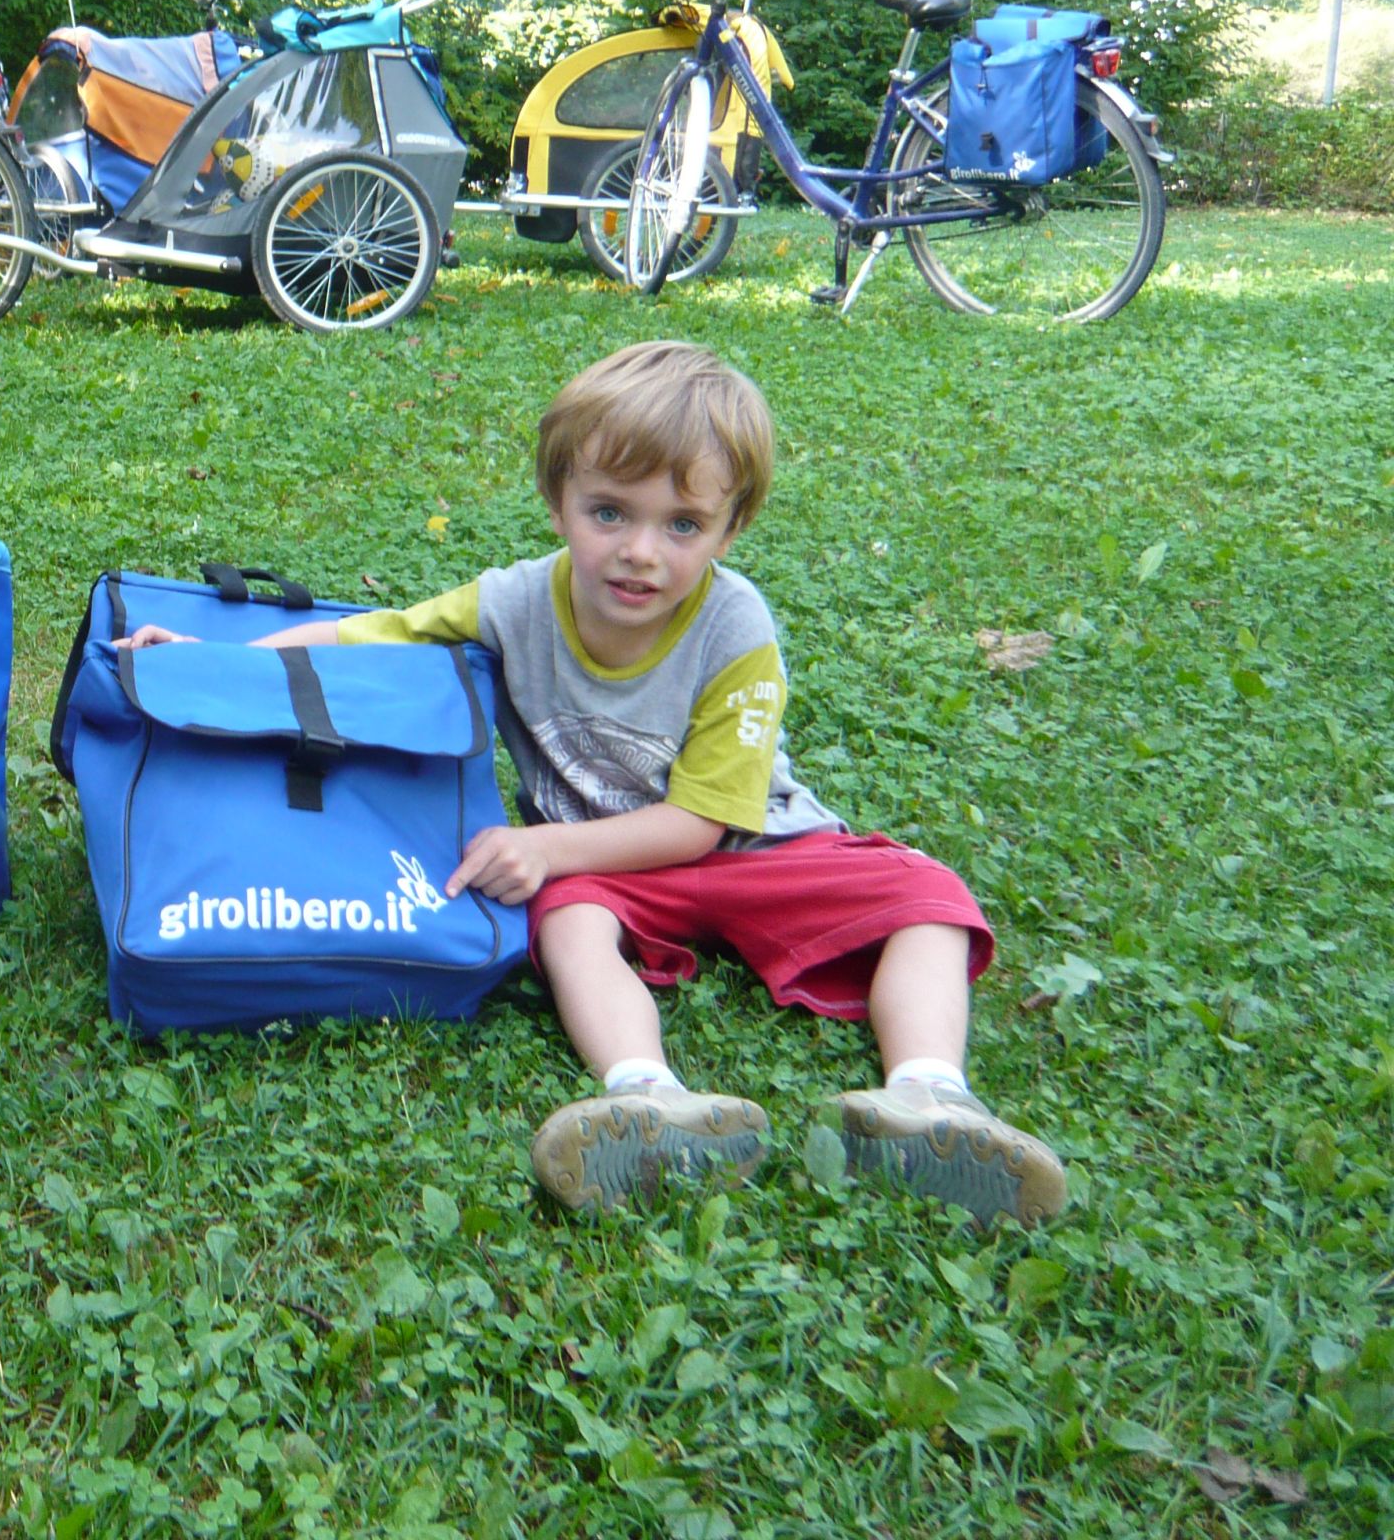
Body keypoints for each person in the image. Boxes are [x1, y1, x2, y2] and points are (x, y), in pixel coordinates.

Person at [120, 341, 1064, 1229]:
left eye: (684, 524)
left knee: (928, 896)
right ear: (558, 497)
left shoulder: (738, 629)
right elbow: (381, 634)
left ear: (733, 527)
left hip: (753, 846)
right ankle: (647, 1100)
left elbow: (699, 824)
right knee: (566, 924)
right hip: (605, 873)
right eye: (610, 511)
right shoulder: (518, 600)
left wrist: (541, 846)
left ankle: (931, 1097)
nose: (641, 552)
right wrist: (225, 657)